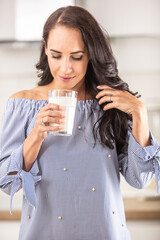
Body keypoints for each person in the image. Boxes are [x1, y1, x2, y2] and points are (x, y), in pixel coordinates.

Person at [0, 5, 159, 240]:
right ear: (45, 49)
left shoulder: (110, 104)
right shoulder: (22, 104)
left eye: (77, 57)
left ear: (91, 54)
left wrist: (140, 112)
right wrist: (35, 136)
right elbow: (7, 184)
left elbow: (139, 180)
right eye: (56, 55)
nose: (65, 68)